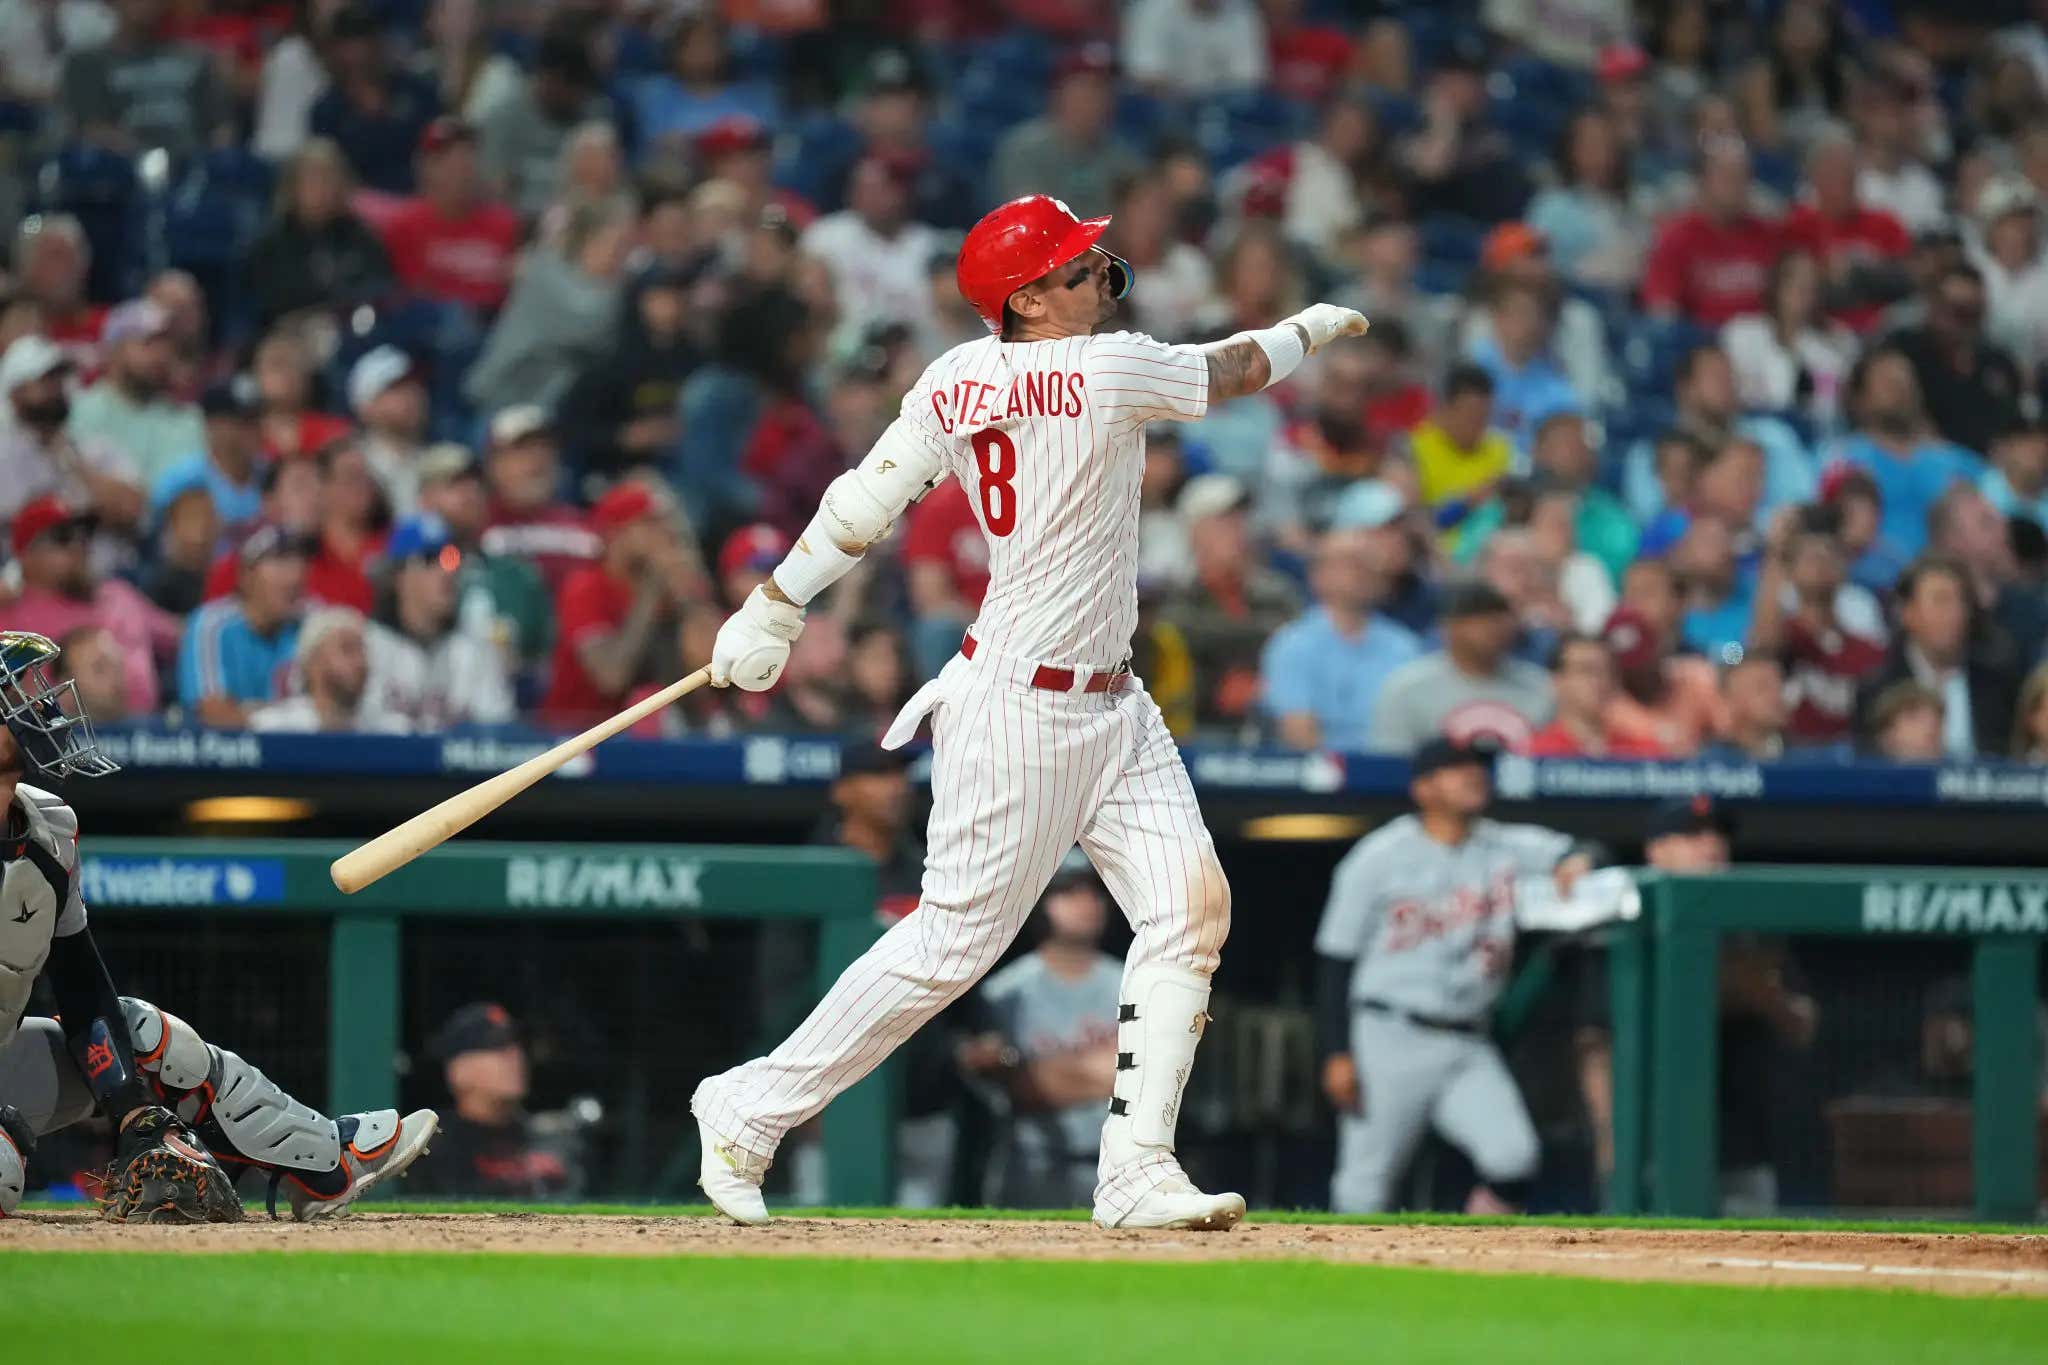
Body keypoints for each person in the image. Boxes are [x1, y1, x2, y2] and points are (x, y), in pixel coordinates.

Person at [691, 193, 1371, 1232]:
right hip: (1019, 705)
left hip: (1111, 703)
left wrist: (772, 605)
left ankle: (1135, 1169)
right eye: (1072, 265)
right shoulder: (1107, 367)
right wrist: (1308, 328)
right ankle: (749, 1105)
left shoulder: (954, 376)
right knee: (948, 947)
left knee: (1189, 908)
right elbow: (1234, 369)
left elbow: (859, 505)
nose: (1098, 270)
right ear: (1027, 301)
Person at [0, 631, 438, 1220]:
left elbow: (83, 991)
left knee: (143, 1037)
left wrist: (133, 1110)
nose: (33, 712)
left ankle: (325, 1162)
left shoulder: (48, 832)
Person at [1315, 738, 1600, 1213]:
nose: (1473, 775)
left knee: (1514, 1158)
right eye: (1456, 768)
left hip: (1468, 1043)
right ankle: (1342, 1282)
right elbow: (1334, 960)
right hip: (1389, 1035)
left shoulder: (1507, 846)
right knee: (1364, 1185)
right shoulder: (1378, 855)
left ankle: (1474, 1265)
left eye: (1478, 767)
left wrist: (1578, 861)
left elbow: (1585, 848)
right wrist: (1335, 1051)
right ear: (1424, 788)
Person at [975, 863, 1125, 1209]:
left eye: (1093, 891)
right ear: (1039, 902)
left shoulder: (1132, 982)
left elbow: (1145, 1078)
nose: (1087, 902)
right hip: (1031, 1166)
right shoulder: (1005, 990)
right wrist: (1102, 1069)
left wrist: (1049, 1071)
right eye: (1069, 892)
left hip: (1116, 1168)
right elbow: (1021, 1089)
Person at [539, 480, 697, 728]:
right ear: (615, 533)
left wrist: (689, 600)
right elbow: (610, 676)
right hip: (573, 735)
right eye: (648, 523)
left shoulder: (666, 587)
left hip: (641, 735)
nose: (663, 533)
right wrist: (651, 593)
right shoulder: (585, 587)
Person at [6, 495, 178, 716]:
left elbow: (183, 636)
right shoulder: (11, 614)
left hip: (152, 741)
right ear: (25, 555)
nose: (79, 546)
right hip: (60, 743)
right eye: (63, 537)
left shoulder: (120, 595)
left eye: (85, 534)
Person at [1259, 528, 1420, 751]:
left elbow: (1415, 729)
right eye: (1352, 563)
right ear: (1318, 575)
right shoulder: (1291, 645)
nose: (1365, 571)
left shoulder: (1404, 646)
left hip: (1394, 774)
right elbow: (1298, 734)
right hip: (1319, 777)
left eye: (1371, 562)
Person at [1163, 476, 1301, 731]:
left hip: (1268, 720)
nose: (1237, 531)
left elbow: (1296, 641)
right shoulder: (1174, 591)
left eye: (1240, 520)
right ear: (1193, 531)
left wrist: (1259, 685)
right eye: (1222, 522)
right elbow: (1178, 635)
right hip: (1192, 725)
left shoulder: (1277, 591)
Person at [1856, 556, 2020, 760]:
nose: (1954, 613)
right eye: (1941, 600)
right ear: (1908, 613)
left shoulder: (2000, 684)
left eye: (1961, 601)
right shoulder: (1876, 691)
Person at [407, 1003, 577, 1199]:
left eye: (516, 1045)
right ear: (459, 1071)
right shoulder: (429, 1147)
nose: (515, 1055)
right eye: (496, 1047)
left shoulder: (545, 1138)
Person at [1831, 347, 1985, 564]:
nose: (1901, 389)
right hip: (1868, 581)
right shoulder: (1841, 459)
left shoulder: (1962, 464)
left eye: (1907, 381)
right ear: (1860, 399)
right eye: (1888, 382)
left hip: (1948, 582)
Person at [1368, 583, 1555, 754]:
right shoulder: (1408, 688)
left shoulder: (1540, 686)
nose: (1495, 629)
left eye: (1500, 620)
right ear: (1449, 628)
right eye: (1481, 621)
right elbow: (1392, 764)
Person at [1750, 517, 1887, 749]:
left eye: (1829, 556)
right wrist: (1775, 553)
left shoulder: (1866, 650)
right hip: (1789, 758)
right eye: (1809, 557)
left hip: (1851, 762)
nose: (1820, 563)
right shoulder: (1786, 637)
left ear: (1843, 569)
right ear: (1790, 571)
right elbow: (1761, 644)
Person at [365, 516, 514, 728]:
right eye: (429, 560)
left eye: (450, 559)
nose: (446, 572)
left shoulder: (475, 652)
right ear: (397, 575)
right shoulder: (367, 648)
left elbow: (496, 739)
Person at [0, 334, 143, 547]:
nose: (56, 387)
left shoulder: (92, 448)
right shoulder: (4, 456)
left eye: (59, 378)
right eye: (44, 379)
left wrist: (73, 460)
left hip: (105, 572)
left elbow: (132, 510)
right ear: (15, 393)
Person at [248, 138, 396, 330]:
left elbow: (380, 291)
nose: (323, 190)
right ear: (293, 187)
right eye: (313, 180)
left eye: (329, 179)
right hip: (288, 337)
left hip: (351, 333)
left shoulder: (362, 238)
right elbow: (269, 303)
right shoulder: (270, 243)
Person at [379, 116, 520, 313]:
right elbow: (410, 293)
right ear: (426, 168)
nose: (461, 169)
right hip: (430, 330)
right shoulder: (404, 225)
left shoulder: (504, 222)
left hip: (494, 327)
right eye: (447, 160)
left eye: (467, 156)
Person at [54, 0, 226, 160]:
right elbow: (91, 127)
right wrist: (147, 156)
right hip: (119, 174)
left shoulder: (196, 59)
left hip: (193, 172)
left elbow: (221, 128)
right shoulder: (86, 63)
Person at [1888, 263, 2026, 460]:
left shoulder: (1999, 363)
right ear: (1933, 304)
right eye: (1954, 309)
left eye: (1972, 312)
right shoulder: (1904, 350)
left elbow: (2012, 428)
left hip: (1985, 470)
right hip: (1917, 458)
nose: (1961, 320)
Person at [475, 20, 611, 220]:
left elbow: (608, 185)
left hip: (581, 226)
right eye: (575, 90)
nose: (580, 98)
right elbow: (495, 190)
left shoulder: (595, 113)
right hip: (518, 224)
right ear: (550, 79)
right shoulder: (505, 117)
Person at [177, 524, 309, 727]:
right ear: (246, 576)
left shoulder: (306, 625)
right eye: (280, 563)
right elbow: (215, 714)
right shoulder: (213, 625)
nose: (295, 576)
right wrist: (288, 717)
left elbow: (327, 712)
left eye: (298, 563)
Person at [66, 299, 206, 490]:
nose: (161, 354)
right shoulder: (79, 411)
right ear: (114, 349)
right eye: (149, 342)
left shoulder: (187, 420)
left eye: (167, 345)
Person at [1642, 138, 1782, 327]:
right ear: (1702, 181)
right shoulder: (1675, 238)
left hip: (1762, 342)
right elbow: (1661, 311)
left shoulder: (1768, 234)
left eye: (1742, 177)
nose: (1736, 186)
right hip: (1702, 345)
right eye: (1726, 176)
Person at [992, 45, 1141, 219]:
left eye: (1104, 89)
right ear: (1059, 93)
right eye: (1087, 87)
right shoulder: (1024, 149)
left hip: (1101, 245)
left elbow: (1133, 224)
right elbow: (1028, 219)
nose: (1097, 98)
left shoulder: (1122, 157)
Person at [308, 5, 443, 196]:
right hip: (355, 209)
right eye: (349, 44)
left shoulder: (419, 93)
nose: (359, 52)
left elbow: (441, 150)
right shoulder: (327, 111)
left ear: (379, 43)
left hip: (420, 200)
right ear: (335, 51)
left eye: (365, 40)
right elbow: (327, 172)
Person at [1720, 250, 1857, 425]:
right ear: (1776, 285)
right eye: (1794, 281)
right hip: (1752, 426)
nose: (1802, 290)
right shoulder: (1740, 333)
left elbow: (1833, 408)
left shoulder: (1836, 342)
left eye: (1811, 284)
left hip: (1813, 432)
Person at [249, 605, 410, 734]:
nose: (360, 662)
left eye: (362, 651)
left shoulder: (389, 730)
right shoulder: (275, 729)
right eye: (347, 649)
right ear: (312, 664)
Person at [151, 378, 265, 539]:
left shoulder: (269, 474)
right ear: (213, 426)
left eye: (257, 419)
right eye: (244, 422)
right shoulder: (183, 480)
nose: (254, 429)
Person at [1524, 634, 1664, 757]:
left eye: (1608, 671)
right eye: (1586, 670)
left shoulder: (1642, 752)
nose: (1600, 681)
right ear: (1557, 681)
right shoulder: (1536, 754)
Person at [1406, 364, 1513, 514]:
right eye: (1470, 416)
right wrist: (1466, 502)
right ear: (1443, 409)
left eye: (1484, 417)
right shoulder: (1413, 449)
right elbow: (1415, 518)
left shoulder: (1500, 449)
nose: (1478, 426)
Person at [1123, 0, 1268, 100]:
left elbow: (1248, 82)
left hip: (1220, 109)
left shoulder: (1242, 12)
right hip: (1162, 108)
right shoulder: (1152, 8)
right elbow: (1145, 77)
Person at [1706, 654, 1789, 760]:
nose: (1776, 696)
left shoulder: (1805, 755)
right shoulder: (1706, 765)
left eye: (1779, 686)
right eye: (1763, 688)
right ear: (1730, 700)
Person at [1983, 422, 2048, 527]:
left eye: (2044, 450)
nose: (2040, 455)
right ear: (2006, 450)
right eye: (2032, 448)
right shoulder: (1981, 496)